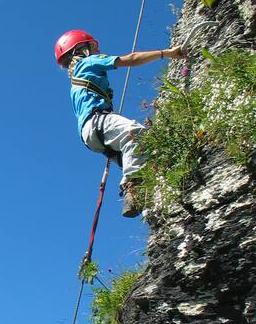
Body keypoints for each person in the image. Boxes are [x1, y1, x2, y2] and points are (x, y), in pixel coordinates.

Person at [54, 29, 186, 217]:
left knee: (146, 157)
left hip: (90, 136)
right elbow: (130, 59)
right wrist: (168, 53)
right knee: (135, 133)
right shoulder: (88, 62)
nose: (98, 51)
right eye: (93, 47)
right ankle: (132, 187)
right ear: (83, 49)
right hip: (98, 120)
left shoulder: (76, 85)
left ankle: (150, 201)